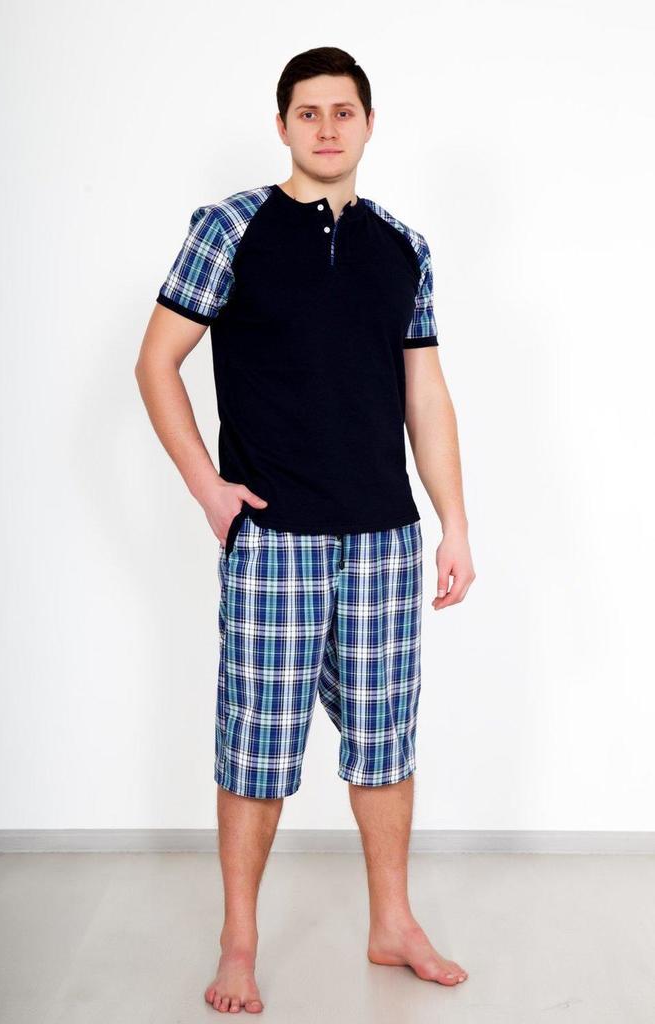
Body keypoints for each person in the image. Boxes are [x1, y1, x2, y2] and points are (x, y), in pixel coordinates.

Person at [135, 45, 475, 1015]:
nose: (327, 127)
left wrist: (453, 524)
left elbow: (426, 393)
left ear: (369, 123)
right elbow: (156, 361)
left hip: (383, 537)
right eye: (309, 112)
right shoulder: (230, 226)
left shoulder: (403, 246)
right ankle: (238, 942)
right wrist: (208, 489)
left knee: (385, 739)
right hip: (274, 535)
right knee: (257, 744)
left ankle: (392, 923)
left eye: (343, 111)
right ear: (283, 125)